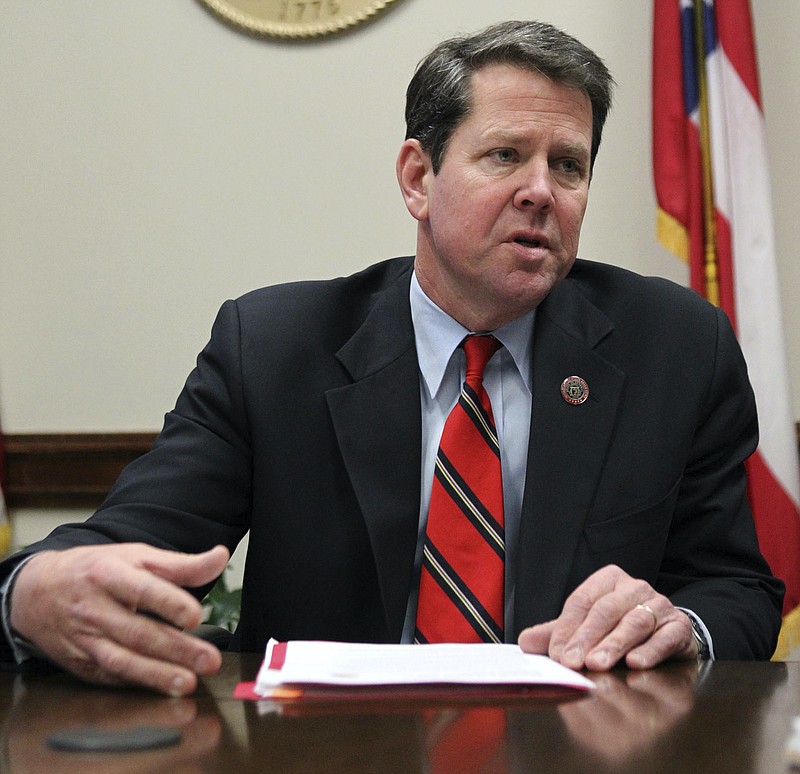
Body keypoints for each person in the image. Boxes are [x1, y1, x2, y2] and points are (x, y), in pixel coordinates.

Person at [0, 20, 783, 696]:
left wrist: (679, 623)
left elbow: (739, 587)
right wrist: (28, 592)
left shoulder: (674, 349)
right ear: (418, 178)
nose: (542, 191)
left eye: (569, 166)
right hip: (329, 752)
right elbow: (129, 544)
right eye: (506, 155)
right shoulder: (274, 349)